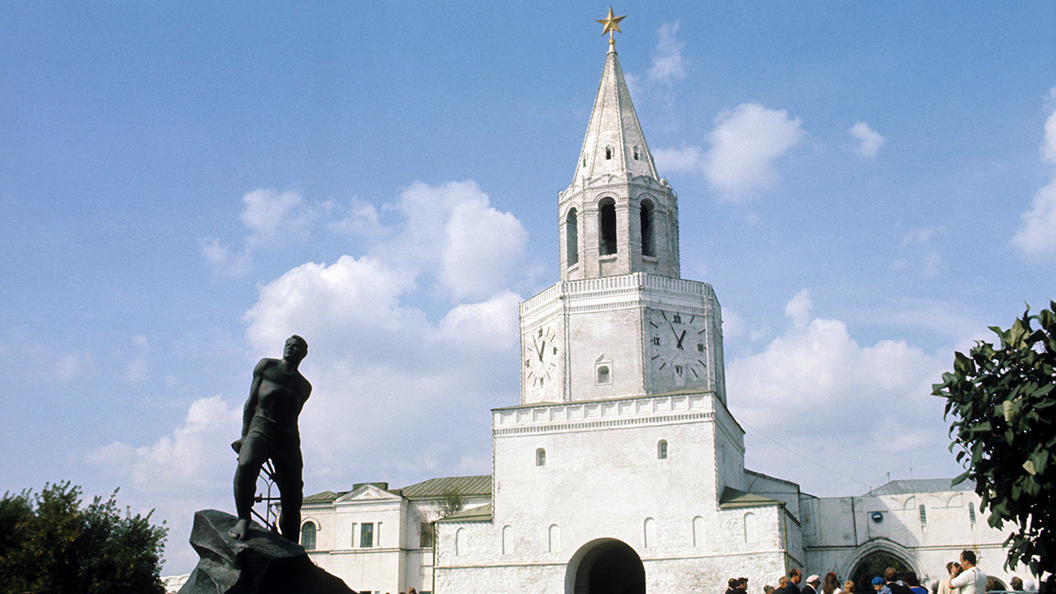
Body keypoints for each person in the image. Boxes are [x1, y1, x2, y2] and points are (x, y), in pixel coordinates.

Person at [229, 335, 313, 542]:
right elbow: (251, 403)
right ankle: (243, 518)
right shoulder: (267, 366)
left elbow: (294, 415)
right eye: (288, 345)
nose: (290, 349)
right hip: (261, 427)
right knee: (246, 464)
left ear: (304, 354)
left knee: (293, 494)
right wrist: (243, 436)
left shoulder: (304, 386)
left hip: (288, 438)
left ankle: (292, 543)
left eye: (296, 347)